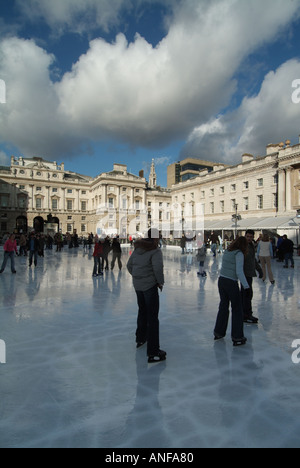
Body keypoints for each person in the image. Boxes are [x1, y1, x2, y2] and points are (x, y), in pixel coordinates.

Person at [127, 228, 166, 363]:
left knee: (142, 311)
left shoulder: (138, 249)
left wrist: (137, 277)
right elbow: (158, 268)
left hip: (138, 286)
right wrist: (160, 282)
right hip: (149, 286)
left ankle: (141, 338)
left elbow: (129, 265)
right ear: (155, 238)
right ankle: (153, 351)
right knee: (153, 318)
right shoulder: (155, 251)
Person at [214, 236, 250, 347]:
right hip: (231, 282)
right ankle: (237, 336)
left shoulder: (228, 251)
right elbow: (239, 271)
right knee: (237, 309)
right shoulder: (238, 254)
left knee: (223, 306)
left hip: (222, 280)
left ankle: (218, 332)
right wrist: (246, 286)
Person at [241, 230, 262, 324]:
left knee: (248, 294)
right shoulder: (243, 246)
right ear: (245, 236)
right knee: (246, 294)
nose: (249, 238)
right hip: (244, 274)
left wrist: (259, 269)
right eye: (247, 236)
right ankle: (245, 314)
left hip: (249, 273)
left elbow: (253, 259)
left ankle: (246, 313)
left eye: (250, 237)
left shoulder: (251, 246)